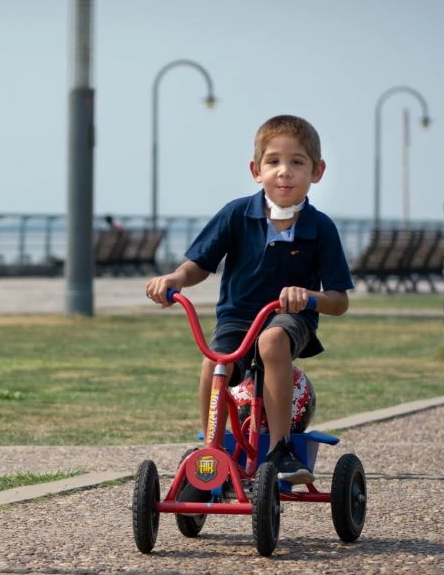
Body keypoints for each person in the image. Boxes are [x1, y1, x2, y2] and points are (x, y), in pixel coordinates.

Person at [145, 114, 353, 485]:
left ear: (317, 171)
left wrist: (308, 297)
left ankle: (280, 448)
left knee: (272, 340)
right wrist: (175, 278)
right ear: (256, 170)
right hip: (238, 318)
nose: (284, 172)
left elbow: (339, 301)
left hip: (290, 319)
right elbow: (200, 264)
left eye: (297, 162)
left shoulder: (320, 228)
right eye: (273, 162)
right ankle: (214, 449)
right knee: (214, 365)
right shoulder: (237, 214)